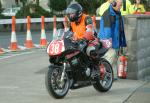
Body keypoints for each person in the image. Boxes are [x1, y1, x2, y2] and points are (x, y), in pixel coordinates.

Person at [98, 0, 127, 79]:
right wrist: (108, 44)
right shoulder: (108, 14)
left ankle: (112, 77)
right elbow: (107, 32)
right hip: (109, 43)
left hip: (115, 42)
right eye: (120, 5)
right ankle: (102, 76)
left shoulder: (117, 14)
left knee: (114, 59)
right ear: (113, 4)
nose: (120, 7)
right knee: (109, 59)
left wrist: (121, 43)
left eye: (121, 5)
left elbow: (120, 30)